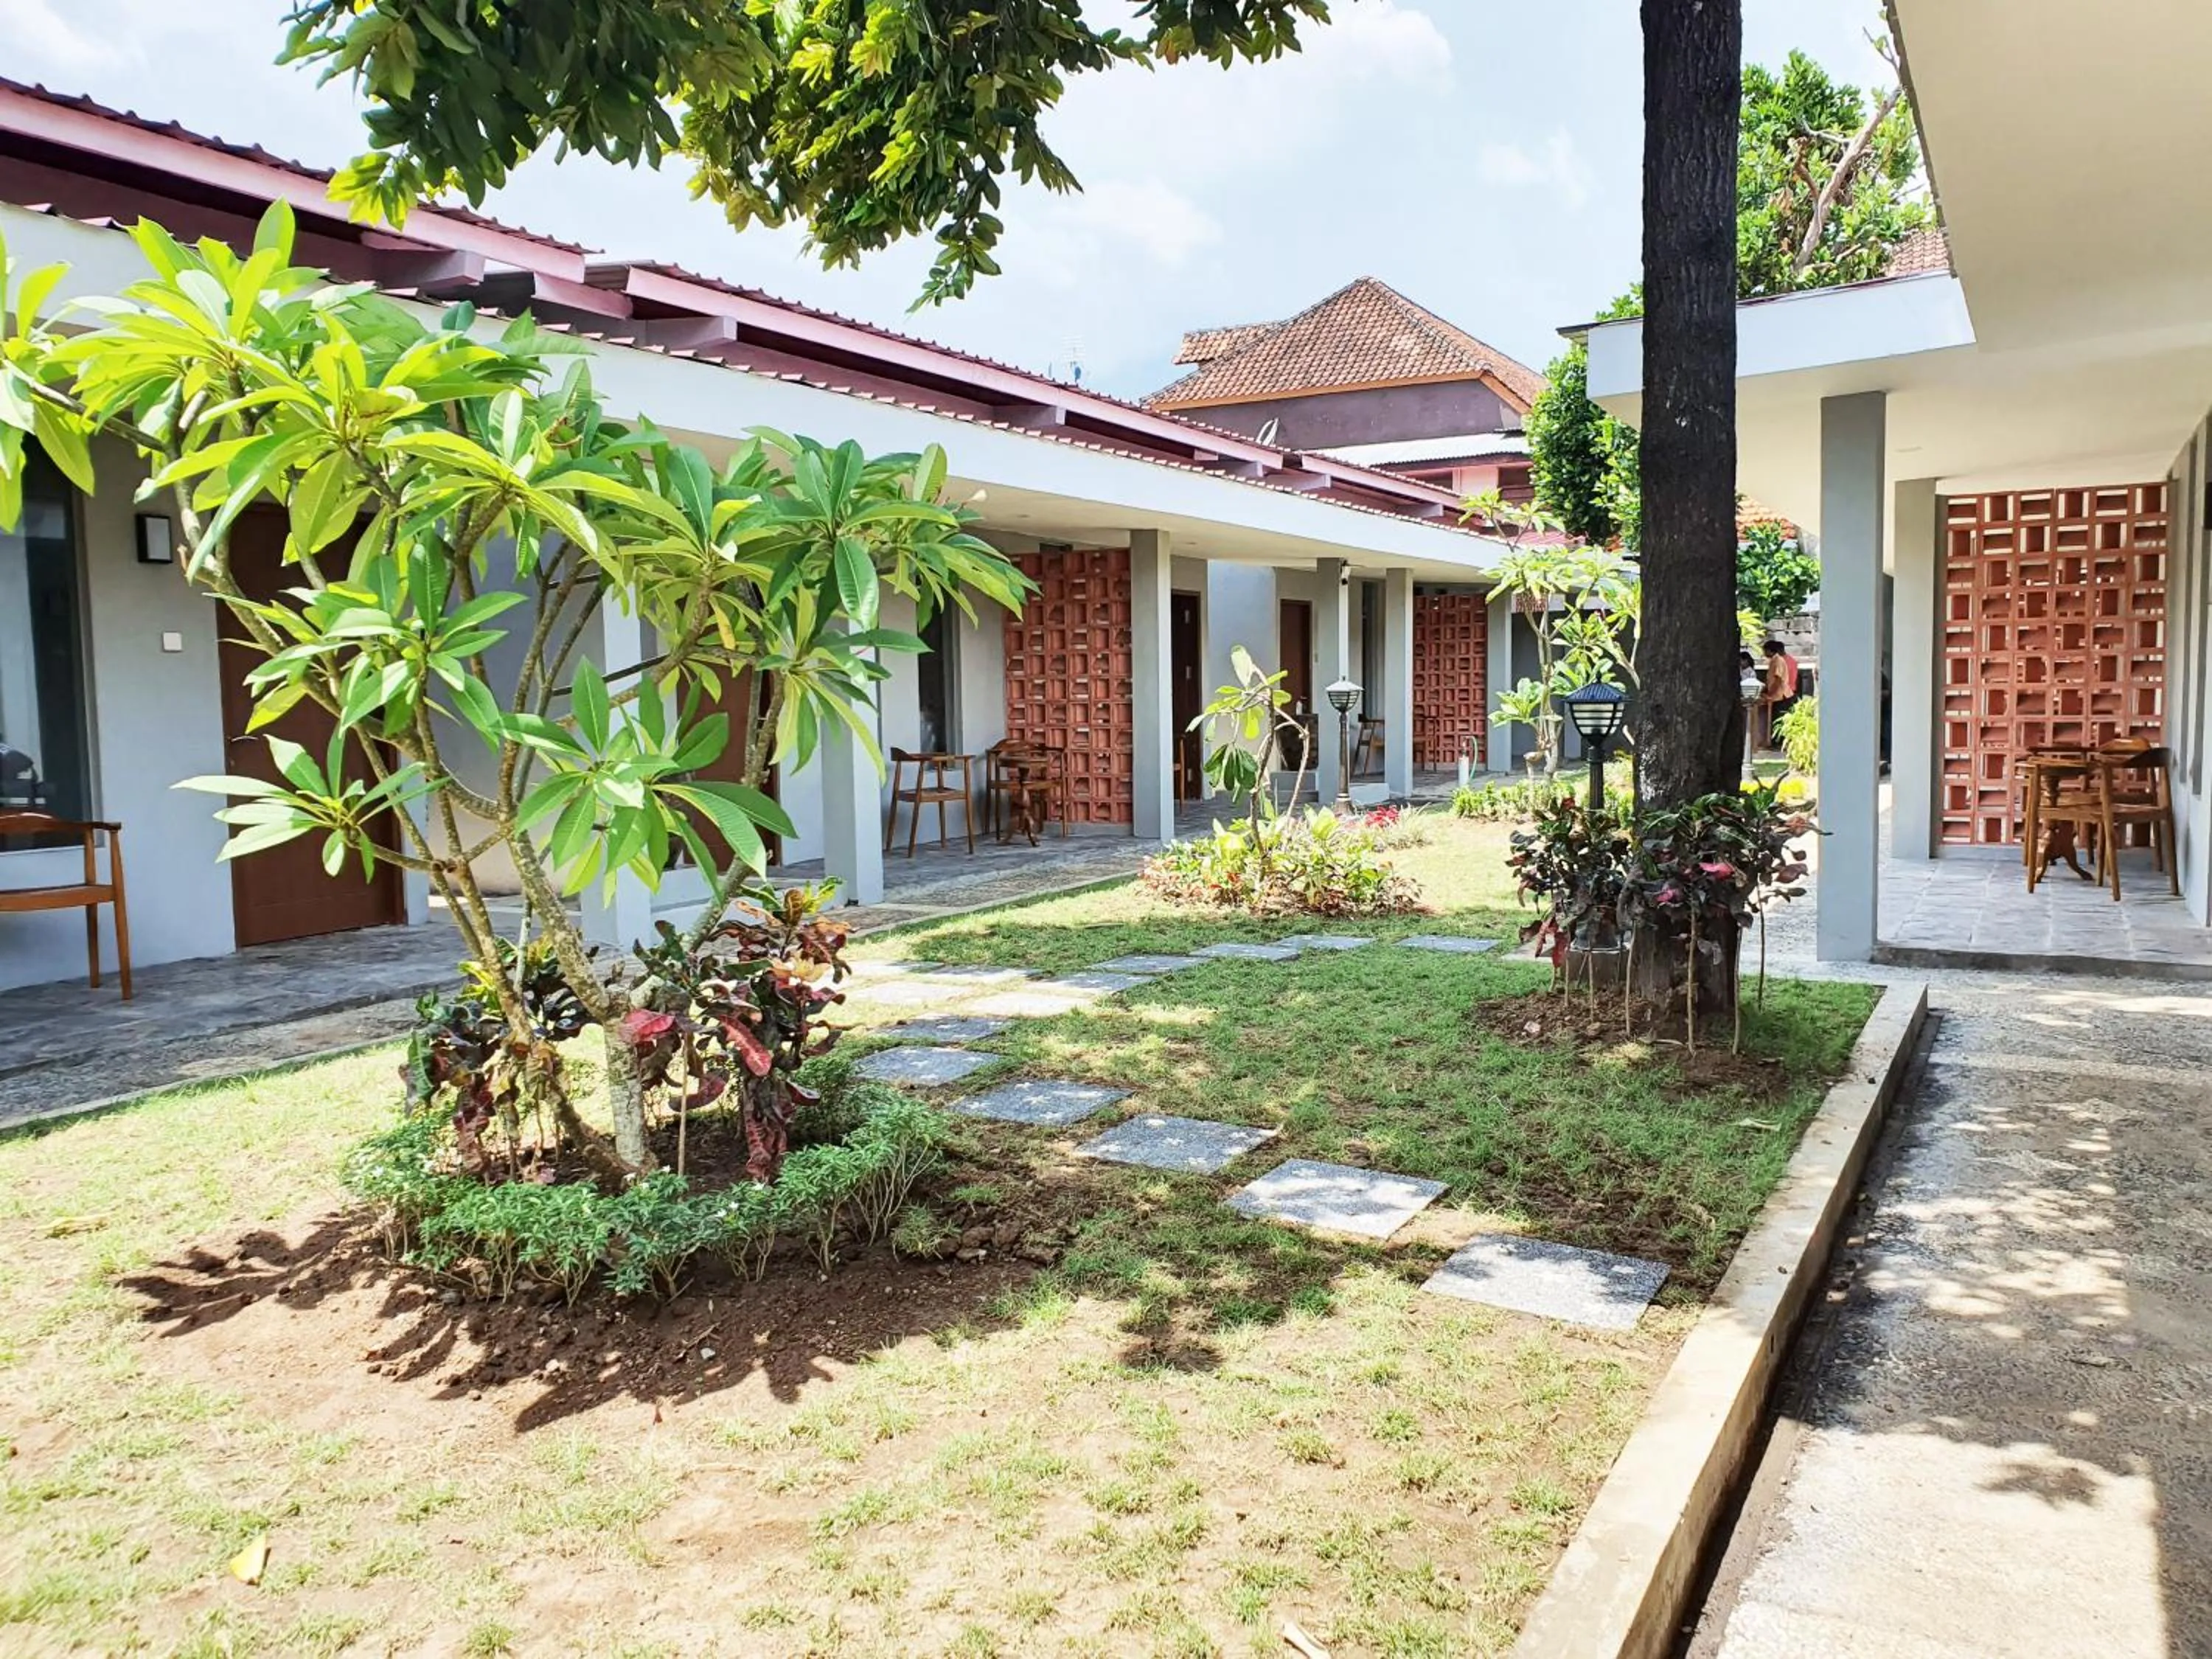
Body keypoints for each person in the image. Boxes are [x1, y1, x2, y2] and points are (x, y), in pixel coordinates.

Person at [1761, 639, 1800, 750]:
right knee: (1777, 719)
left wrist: (1771, 692)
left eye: (1765, 651)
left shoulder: (1777, 661)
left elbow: (1778, 679)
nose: (1764, 654)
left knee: (1779, 720)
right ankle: (1776, 743)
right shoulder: (1776, 660)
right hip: (1779, 695)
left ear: (1770, 650)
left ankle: (1778, 744)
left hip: (1781, 695)